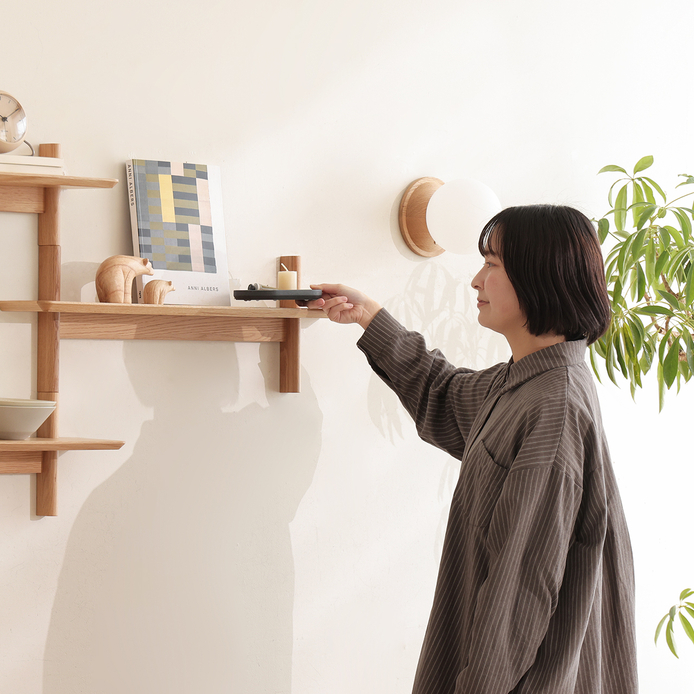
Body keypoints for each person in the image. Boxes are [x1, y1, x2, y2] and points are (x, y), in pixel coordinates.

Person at [308, 204, 638, 694]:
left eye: (492, 264)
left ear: (539, 276)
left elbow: (519, 595)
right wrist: (369, 317)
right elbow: (443, 393)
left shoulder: (554, 407)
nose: (475, 280)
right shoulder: (527, 382)